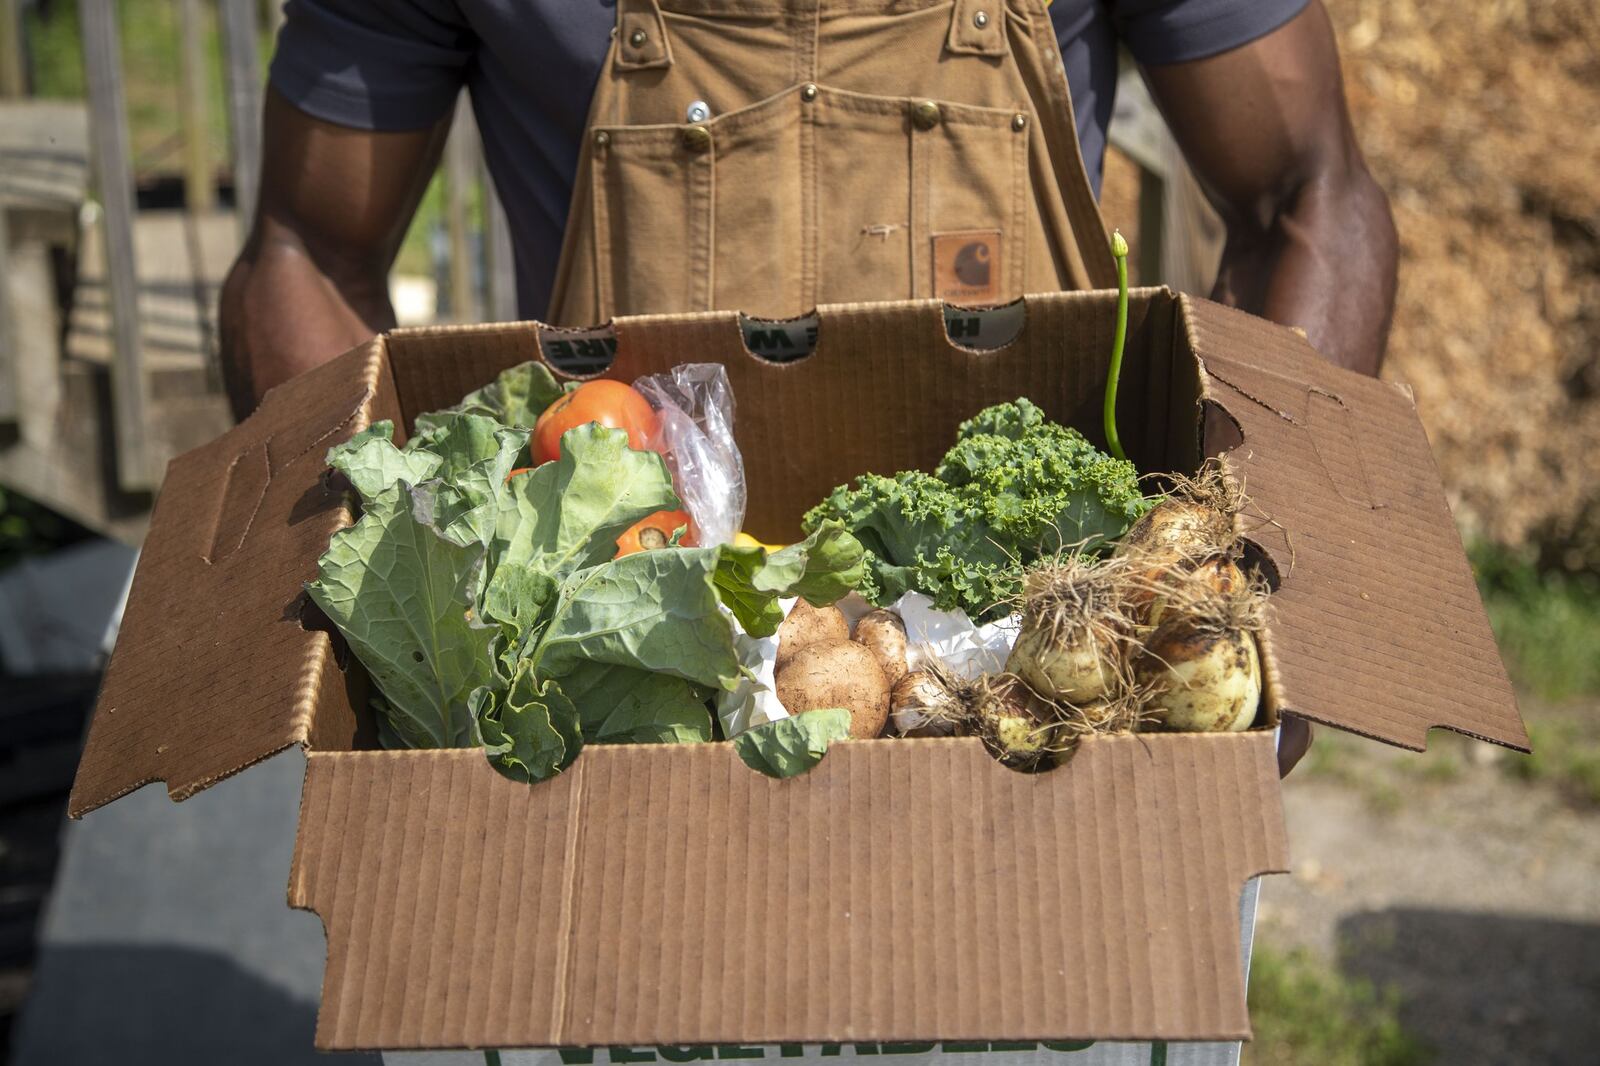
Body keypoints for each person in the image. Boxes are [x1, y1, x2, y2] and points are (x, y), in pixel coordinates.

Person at [222, 0, 1392, 774]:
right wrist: (401, 633)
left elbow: (1307, 190)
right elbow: (306, 254)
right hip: (619, 678)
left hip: (1042, 665)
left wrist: (1255, 602)